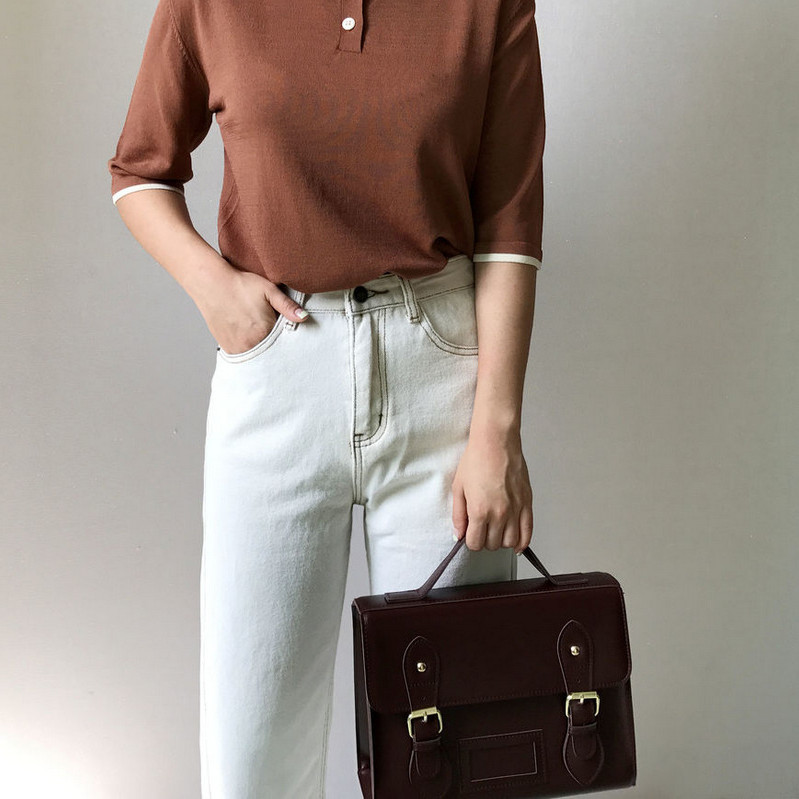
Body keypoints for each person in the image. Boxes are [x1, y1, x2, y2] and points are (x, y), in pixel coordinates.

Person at [107, 0, 546, 795]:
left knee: (448, 757)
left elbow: (509, 224)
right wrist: (214, 289)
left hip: (444, 385)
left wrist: (497, 431)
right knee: (252, 757)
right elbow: (140, 170)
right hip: (277, 374)